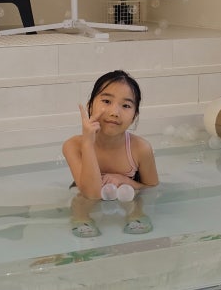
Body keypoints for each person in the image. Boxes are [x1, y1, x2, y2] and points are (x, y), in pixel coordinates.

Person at [62, 70, 158, 237]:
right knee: (79, 200)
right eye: (106, 101)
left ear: (134, 115)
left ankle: (136, 215)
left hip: (125, 198)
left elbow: (152, 188)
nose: (115, 112)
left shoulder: (140, 148)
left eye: (126, 106)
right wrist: (88, 143)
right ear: (90, 105)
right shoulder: (73, 146)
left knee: (135, 197)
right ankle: (81, 218)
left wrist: (127, 181)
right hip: (86, 195)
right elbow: (91, 194)